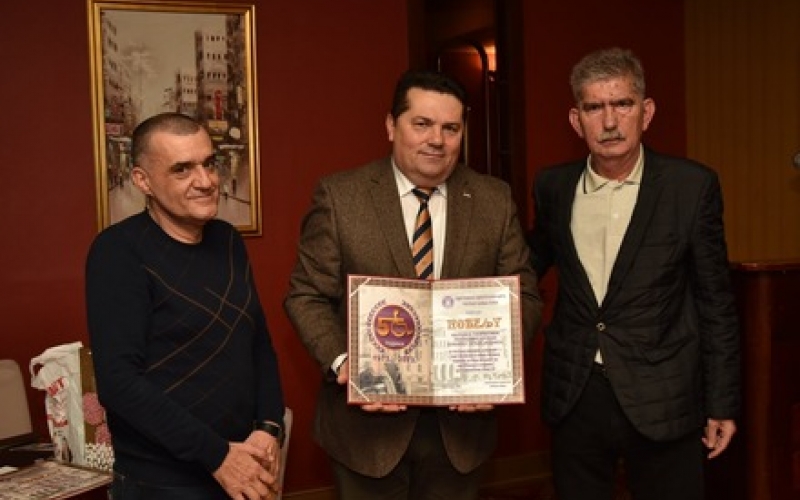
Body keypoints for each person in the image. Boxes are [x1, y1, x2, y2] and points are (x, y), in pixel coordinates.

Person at [284, 69, 543, 499]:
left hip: (461, 433)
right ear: (391, 125)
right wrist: (346, 364)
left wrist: (501, 371)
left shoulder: (494, 200)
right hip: (366, 434)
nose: (436, 140)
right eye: (422, 124)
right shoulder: (340, 196)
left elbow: (525, 295)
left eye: (450, 128)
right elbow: (306, 295)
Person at [528, 47, 741, 500]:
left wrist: (722, 402)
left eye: (622, 104)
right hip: (576, 392)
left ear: (646, 112)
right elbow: (526, 269)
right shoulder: (552, 187)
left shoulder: (691, 187)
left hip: (664, 394)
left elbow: (716, 303)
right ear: (576, 120)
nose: (609, 121)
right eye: (594, 107)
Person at [85, 112, 286, 500]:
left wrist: (268, 427)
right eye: (182, 169)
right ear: (143, 181)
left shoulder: (228, 240)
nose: (206, 181)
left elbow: (257, 344)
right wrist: (217, 455)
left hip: (242, 464)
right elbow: (119, 384)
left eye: (209, 163)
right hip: (164, 482)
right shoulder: (118, 252)